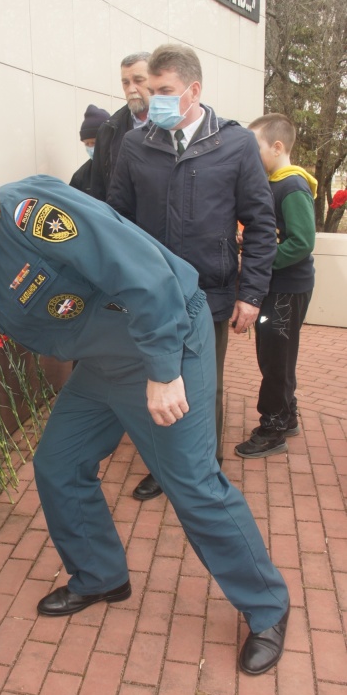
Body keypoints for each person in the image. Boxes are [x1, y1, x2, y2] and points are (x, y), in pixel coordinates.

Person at [0, 167, 290, 676]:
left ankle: (268, 607)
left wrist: (165, 371)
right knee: (58, 463)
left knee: (192, 484)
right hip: (103, 363)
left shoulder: (21, 211)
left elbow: (140, 269)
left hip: (164, 341)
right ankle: (100, 575)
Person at [107, 43, 278, 499]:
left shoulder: (235, 143)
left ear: (194, 90)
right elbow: (117, 218)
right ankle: (163, 468)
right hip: (149, 294)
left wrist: (252, 292)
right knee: (156, 379)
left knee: (203, 388)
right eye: (150, 87)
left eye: (166, 90)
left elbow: (262, 223)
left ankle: (204, 468)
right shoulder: (135, 144)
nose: (154, 97)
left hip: (212, 291)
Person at [235, 113, 316, 458]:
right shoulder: (273, 183)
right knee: (278, 356)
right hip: (278, 286)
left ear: (277, 147)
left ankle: (274, 427)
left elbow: (301, 242)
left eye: (256, 148)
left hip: (286, 288)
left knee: (276, 359)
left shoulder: (291, 186)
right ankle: (287, 414)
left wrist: (260, 263)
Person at [90, 52, 151, 201]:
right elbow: (98, 192)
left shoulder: (173, 125)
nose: (131, 89)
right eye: (126, 82)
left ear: (155, 81)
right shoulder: (108, 130)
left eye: (138, 80)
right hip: (122, 221)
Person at [69, 105, 110, 195]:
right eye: (87, 144)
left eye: (94, 143)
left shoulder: (125, 167)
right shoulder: (80, 177)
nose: (91, 148)